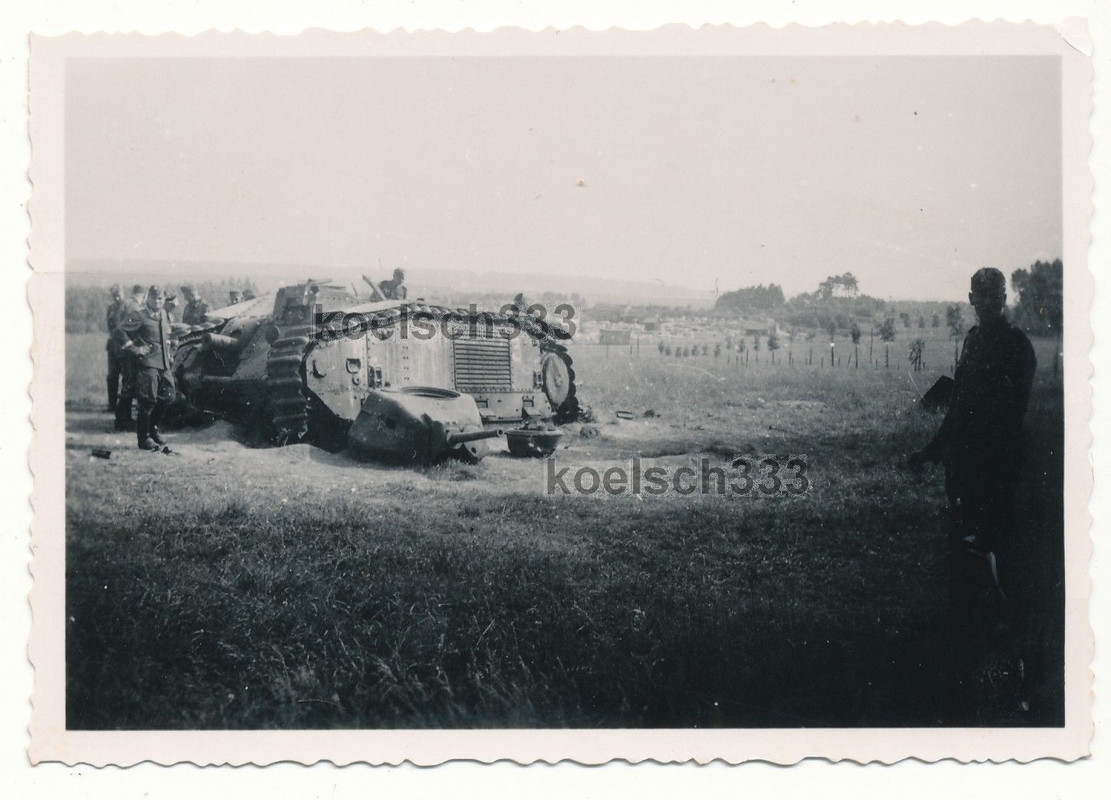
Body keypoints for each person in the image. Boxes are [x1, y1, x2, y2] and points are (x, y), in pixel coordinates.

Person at [909, 267, 1036, 620]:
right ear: (971, 300)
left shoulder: (1017, 346)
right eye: (980, 296)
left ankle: (1005, 622)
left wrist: (987, 455)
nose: (988, 303)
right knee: (962, 542)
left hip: (995, 464)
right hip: (963, 464)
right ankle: (962, 620)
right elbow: (958, 407)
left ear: (1004, 299)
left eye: (995, 296)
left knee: (994, 544)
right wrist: (931, 451)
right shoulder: (972, 341)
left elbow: (1012, 415)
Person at [114, 286, 177, 451]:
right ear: (148, 298)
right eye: (154, 298)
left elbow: (166, 337)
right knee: (147, 401)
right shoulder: (139, 315)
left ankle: (152, 428)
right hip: (147, 363)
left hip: (163, 364)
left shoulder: (163, 314)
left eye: (160, 299)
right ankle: (144, 438)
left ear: (164, 301)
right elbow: (119, 332)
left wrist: (169, 354)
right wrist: (134, 349)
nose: (157, 302)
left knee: (169, 396)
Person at [114, 284, 148, 431]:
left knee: (127, 384)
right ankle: (123, 421)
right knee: (129, 385)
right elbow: (130, 330)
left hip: (122, 349)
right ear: (144, 295)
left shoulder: (124, 304)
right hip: (130, 351)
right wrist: (135, 347)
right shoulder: (135, 307)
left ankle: (122, 419)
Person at [104, 284, 125, 413]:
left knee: (126, 377)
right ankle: (112, 405)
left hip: (124, 346)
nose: (117, 298)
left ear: (123, 294)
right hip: (113, 346)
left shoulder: (126, 307)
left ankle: (123, 407)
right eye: (114, 296)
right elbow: (110, 325)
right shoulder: (111, 308)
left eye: (119, 295)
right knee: (112, 376)